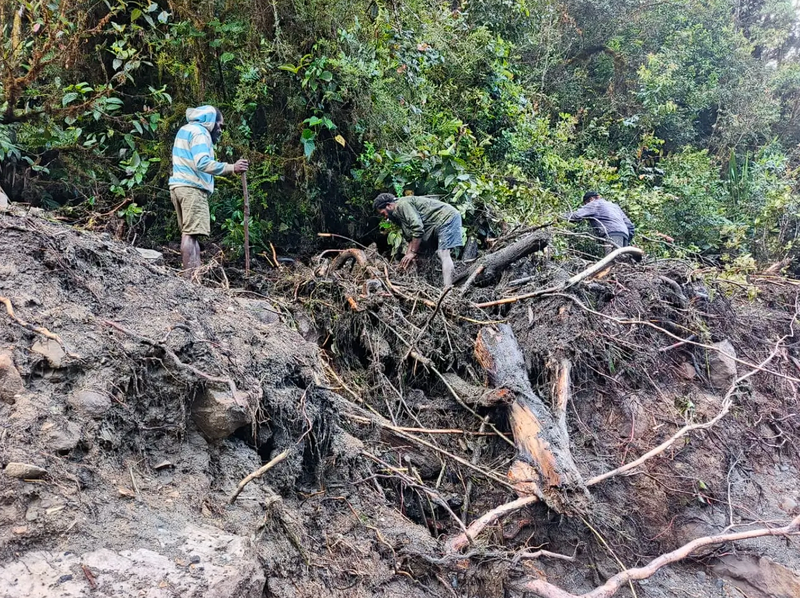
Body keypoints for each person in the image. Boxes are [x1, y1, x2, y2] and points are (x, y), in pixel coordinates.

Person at [169, 105, 249, 278]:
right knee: (190, 235)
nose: (220, 130)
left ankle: (195, 277)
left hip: (178, 187)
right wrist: (232, 168)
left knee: (190, 234)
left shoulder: (185, 130)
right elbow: (202, 162)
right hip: (192, 188)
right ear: (210, 121)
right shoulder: (200, 133)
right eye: (219, 125)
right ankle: (189, 278)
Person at [373, 193, 463, 287]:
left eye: (383, 213)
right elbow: (411, 237)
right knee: (422, 254)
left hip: (447, 218)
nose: (385, 217)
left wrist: (412, 252)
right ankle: (430, 284)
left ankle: (448, 289)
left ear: (389, 205)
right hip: (435, 224)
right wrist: (407, 257)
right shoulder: (396, 214)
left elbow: (417, 228)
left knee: (443, 253)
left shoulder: (403, 204)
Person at [564, 190, 635, 254]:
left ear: (591, 199)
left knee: (612, 261)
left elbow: (576, 216)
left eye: (586, 204)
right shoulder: (615, 206)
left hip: (612, 235)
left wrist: (560, 217)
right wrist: (627, 239)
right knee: (622, 262)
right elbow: (630, 226)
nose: (586, 206)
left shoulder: (594, 204)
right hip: (625, 236)